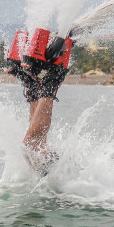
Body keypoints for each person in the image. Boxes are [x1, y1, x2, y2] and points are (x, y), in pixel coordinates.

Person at [5, 30, 72, 173]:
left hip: (48, 171)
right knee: (31, 147)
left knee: (32, 148)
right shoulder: (52, 172)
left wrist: (29, 82)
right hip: (52, 171)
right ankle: (52, 78)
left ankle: (33, 82)